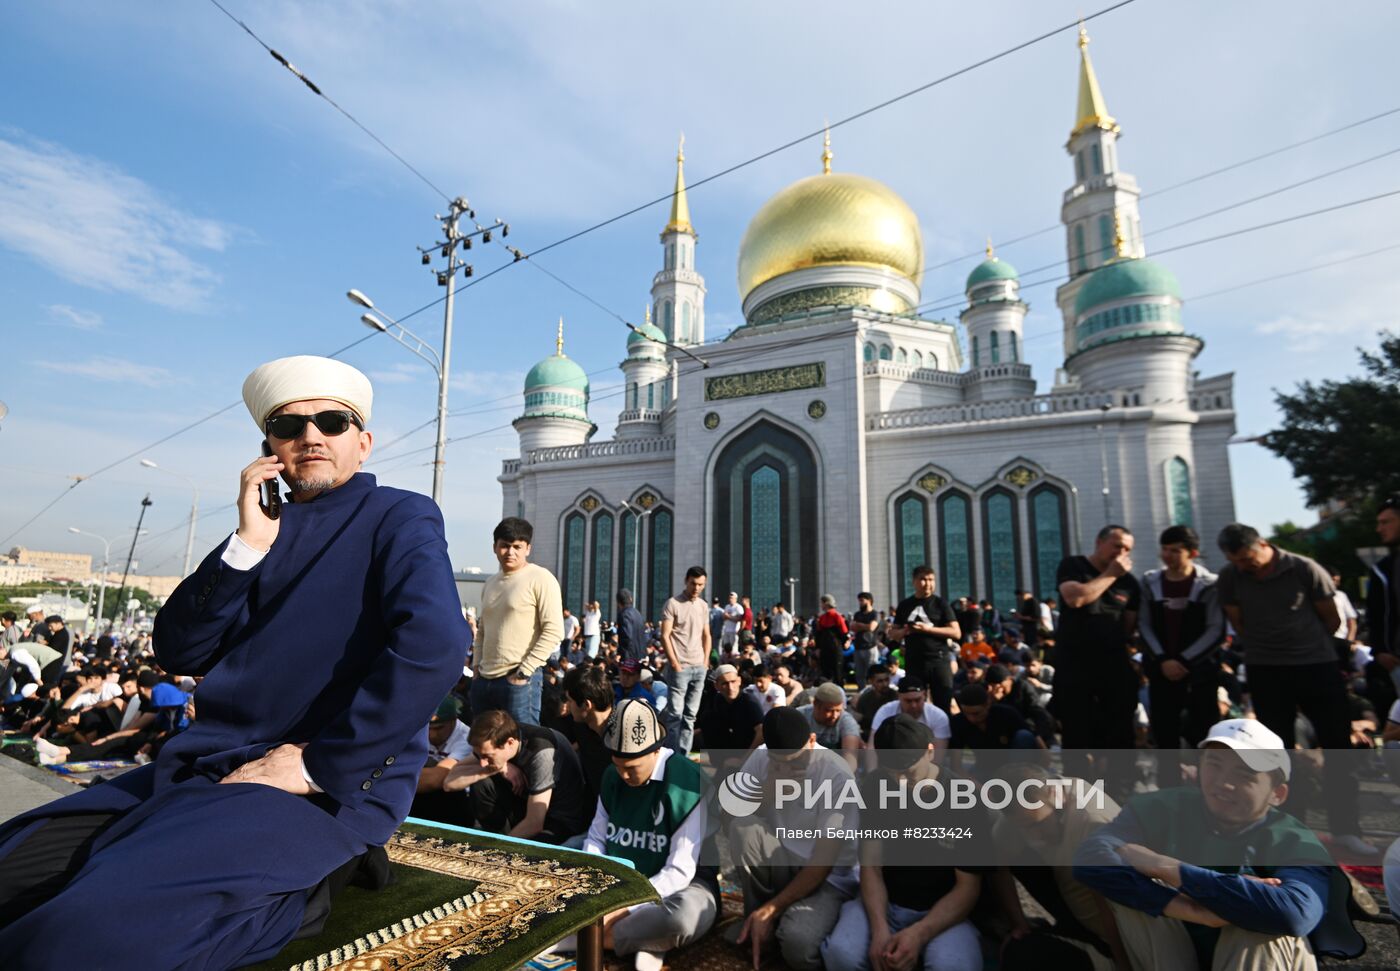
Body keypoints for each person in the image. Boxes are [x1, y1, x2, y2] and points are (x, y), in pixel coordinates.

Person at [0, 355, 467, 970]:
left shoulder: (399, 516)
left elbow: (435, 643)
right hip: (203, 769)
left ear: (363, 441)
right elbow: (179, 651)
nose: (311, 436)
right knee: (14, 868)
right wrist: (246, 545)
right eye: (289, 426)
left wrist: (321, 765)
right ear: (268, 447)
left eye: (332, 420)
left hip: (314, 790)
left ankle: (303, 891)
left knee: (81, 936)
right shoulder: (257, 532)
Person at [1074, 718, 1360, 970]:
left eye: (1244, 775)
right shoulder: (1163, 807)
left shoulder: (1293, 839)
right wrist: (1190, 908)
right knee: (1128, 893)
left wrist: (1165, 867)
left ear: (1278, 794)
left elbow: (1295, 913)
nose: (1224, 783)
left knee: (1257, 925)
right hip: (1172, 953)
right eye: (1214, 765)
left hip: (1257, 961)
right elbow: (1089, 858)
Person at [1216, 523, 1375, 857]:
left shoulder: (1304, 568)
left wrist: (1301, 643)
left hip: (1316, 665)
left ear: (1262, 544)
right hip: (1266, 669)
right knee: (1277, 754)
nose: (1246, 567)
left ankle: (1347, 828)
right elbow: (1239, 621)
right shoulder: (1231, 577)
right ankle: (1289, 827)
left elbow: (1332, 620)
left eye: (1249, 559)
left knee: (1336, 748)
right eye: (1239, 562)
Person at [821, 714, 987, 971]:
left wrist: (919, 933)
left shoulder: (964, 799)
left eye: (908, 773)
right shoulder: (876, 787)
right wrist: (879, 929)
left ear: (930, 752)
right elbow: (871, 866)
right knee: (842, 955)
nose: (899, 782)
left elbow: (968, 887)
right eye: (891, 773)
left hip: (942, 911)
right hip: (886, 903)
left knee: (953, 965)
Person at [582, 699, 718, 971]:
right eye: (617, 765)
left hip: (679, 888)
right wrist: (595, 888)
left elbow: (678, 872)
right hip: (619, 879)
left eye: (631, 768)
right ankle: (644, 940)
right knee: (563, 854)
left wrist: (623, 909)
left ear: (655, 752)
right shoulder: (613, 775)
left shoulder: (688, 783)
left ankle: (589, 937)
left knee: (683, 918)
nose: (622, 775)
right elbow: (596, 839)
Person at [727, 707, 858, 971]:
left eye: (795, 762)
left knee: (797, 944)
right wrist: (766, 792)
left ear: (811, 741)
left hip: (829, 878)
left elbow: (823, 862)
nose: (786, 768)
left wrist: (773, 909)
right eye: (778, 763)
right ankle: (757, 922)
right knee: (744, 829)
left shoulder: (836, 774)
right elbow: (726, 814)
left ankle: (770, 918)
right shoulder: (763, 757)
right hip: (785, 858)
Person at [995, 764, 1128, 971]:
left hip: (1118, 933)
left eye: (1037, 825)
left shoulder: (1091, 821)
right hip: (1074, 905)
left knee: (1022, 957)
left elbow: (1107, 905)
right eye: (1026, 828)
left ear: (1056, 796)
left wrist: (1123, 963)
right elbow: (998, 861)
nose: (1034, 836)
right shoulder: (1025, 812)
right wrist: (1018, 922)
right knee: (1015, 946)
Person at [1054, 525, 1141, 789]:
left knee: (1120, 729)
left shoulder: (1130, 583)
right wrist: (1110, 575)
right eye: (1117, 546)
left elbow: (1128, 625)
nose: (1121, 553)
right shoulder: (1074, 566)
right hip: (1074, 665)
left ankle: (1119, 789)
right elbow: (1075, 598)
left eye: (1127, 549)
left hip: (1113, 666)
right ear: (1099, 542)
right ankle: (1076, 792)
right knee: (1075, 730)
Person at [1139, 525, 1225, 787]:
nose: (1168, 556)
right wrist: (1164, 659)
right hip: (1161, 671)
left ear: (1193, 553)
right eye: (1165, 550)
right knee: (1166, 736)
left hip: (1200, 673)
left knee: (1205, 733)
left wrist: (1185, 661)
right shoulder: (1151, 582)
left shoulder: (1209, 584)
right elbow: (1144, 625)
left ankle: (1207, 790)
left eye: (1176, 551)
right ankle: (1169, 791)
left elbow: (1216, 628)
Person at [448, 709, 590, 843]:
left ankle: (499, 843)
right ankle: (495, 835)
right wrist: (498, 768)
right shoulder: (494, 742)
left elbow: (534, 823)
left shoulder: (541, 753)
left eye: (487, 756)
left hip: (557, 820)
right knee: (481, 783)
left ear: (510, 742)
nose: (483, 763)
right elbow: (449, 783)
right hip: (525, 806)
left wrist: (496, 849)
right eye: (480, 756)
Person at [473, 517, 564, 727]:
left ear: (528, 549)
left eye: (517, 546)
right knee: (484, 748)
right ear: (495, 547)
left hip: (519, 680)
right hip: (484, 679)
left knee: (523, 745)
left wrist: (524, 672)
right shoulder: (490, 583)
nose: (510, 552)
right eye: (504, 546)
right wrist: (477, 667)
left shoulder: (541, 578)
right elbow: (483, 630)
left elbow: (554, 630)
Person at [888, 565, 961, 710]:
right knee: (915, 704)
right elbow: (893, 634)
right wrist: (906, 630)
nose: (928, 584)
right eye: (923, 579)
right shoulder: (905, 605)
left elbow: (956, 632)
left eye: (931, 580)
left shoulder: (941, 604)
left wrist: (929, 629)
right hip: (914, 661)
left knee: (943, 704)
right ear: (914, 582)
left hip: (938, 660)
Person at [660, 566, 712, 754]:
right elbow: (665, 636)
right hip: (680, 667)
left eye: (701, 585)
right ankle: (672, 755)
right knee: (674, 715)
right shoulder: (672, 604)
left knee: (690, 716)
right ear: (686, 581)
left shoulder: (703, 606)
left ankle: (683, 753)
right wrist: (675, 663)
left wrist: (706, 661)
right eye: (693, 583)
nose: (696, 588)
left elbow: (707, 635)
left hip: (699, 666)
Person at [947, 682, 1042, 776]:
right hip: (985, 767)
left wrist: (1041, 775)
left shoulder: (1006, 714)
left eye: (976, 713)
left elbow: (1039, 744)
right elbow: (956, 766)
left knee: (1024, 735)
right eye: (966, 713)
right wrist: (982, 789)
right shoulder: (958, 722)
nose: (971, 718)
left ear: (987, 705)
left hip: (1015, 764)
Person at [411, 696, 475, 827]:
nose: (433, 735)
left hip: (457, 801)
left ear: (454, 721)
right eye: (430, 728)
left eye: (439, 728)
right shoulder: (417, 728)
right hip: (420, 792)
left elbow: (436, 779)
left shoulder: (467, 738)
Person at [696, 664, 765, 774]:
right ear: (717, 686)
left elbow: (761, 732)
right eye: (725, 684)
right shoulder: (717, 701)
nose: (730, 688)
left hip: (749, 754)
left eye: (733, 682)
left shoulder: (749, 702)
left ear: (739, 681)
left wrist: (743, 760)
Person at [867, 677, 950, 766]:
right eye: (908, 701)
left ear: (924, 695)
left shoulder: (938, 716)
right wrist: (873, 774)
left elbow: (938, 755)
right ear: (898, 696)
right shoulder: (885, 711)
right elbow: (872, 747)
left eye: (917, 700)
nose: (913, 705)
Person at [984, 662, 1056, 745]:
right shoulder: (991, 693)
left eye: (998, 684)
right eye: (992, 686)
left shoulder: (1022, 686)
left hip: (1026, 729)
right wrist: (994, 701)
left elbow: (1038, 712)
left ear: (1009, 679)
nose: (996, 688)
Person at [797, 682, 861, 771]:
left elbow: (850, 756)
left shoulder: (847, 721)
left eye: (838, 710)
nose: (835, 716)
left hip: (836, 770)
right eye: (829, 711)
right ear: (816, 704)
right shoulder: (799, 717)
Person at [854, 663, 897, 740]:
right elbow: (855, 721)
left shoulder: (896, 697)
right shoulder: (865, 699)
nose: (885, 684)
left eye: (887, 680)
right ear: (871, 681)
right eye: (880, 681)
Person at [813, 594, 849, 683]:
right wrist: (818, 648)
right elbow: (818, 635)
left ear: (827, 603)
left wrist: (818, 648)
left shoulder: (836, 616)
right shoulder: (822, 618)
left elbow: (844, 633)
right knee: (829, 672)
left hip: (834, 648)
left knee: (836, 673)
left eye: (822, 603)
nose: (821, 605)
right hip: (828, 648)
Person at [849, 592, 880, 690]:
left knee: (871, 672)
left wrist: (860, 625)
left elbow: (871, 627)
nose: (860, 603)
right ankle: (862, 692)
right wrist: (864, 626)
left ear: (869, 601)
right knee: (859, 674)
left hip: (870, 647)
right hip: (858, 647)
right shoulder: (857, 614)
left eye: (862, 600)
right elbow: (852, 627)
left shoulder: (874, 614)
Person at [616, 589, 647, 663]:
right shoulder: (637, 613)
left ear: (618, 602)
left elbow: (626, 636)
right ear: (631, 599)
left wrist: (621, 654)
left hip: (629, 656)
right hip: (641, 654)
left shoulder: (624, 614)